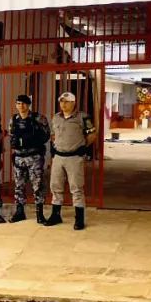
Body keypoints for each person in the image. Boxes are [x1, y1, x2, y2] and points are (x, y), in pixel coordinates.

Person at [47, 92, 96, 230]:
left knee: (76, 188)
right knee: (55, 187)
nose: (64, 104)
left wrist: (81, 147)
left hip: (74, 158)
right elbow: (53, 135)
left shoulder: (82, 117)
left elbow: (92, 134)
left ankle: (79, 219)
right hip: (58, 157)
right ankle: (56, 215)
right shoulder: (56, 117)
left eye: (67, 101)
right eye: (62, 101)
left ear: (74, 103)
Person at [9, 94, 51, 224]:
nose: (21, 106)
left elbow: (46, 135)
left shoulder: (38, 118)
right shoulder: (13, 119)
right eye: (19, 104)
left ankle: (40, 213)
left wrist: (32, 140)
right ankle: (20, 211)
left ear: (29, 105)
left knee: (37, 185)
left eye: (24, 103)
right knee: (19, 186)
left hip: (34, 156)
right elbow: (11, 136)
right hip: (19, 157)